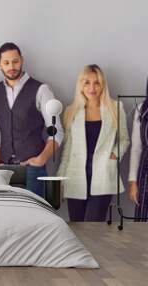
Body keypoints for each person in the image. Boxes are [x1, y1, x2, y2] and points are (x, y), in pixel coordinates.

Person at [0, 42, 64, 197]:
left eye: (15, 61)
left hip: (33, 169)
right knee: (5, 218)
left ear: (22, 60)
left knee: (33, 217)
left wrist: (41, 159)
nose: (11, 66)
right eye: (6, 62)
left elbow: (57, 132)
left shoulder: (41, 90)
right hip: (4, 170)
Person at [57, 64, 130, 221]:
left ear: (103, 85)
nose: (92, 87)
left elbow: (124, 139)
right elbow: (67, 150)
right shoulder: (71, 111)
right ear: (81, 85)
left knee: (93, 227)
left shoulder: (115, 108)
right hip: (75, 174)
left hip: (103, 171)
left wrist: (114, 155)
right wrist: (60, 180)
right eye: (87, 82)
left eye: (97, 82)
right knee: (77, 226)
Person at [128, 98, 148, 221]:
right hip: (146, 171)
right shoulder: (142, 109)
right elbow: (136, 148)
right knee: (142, 220)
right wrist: (133, 182)